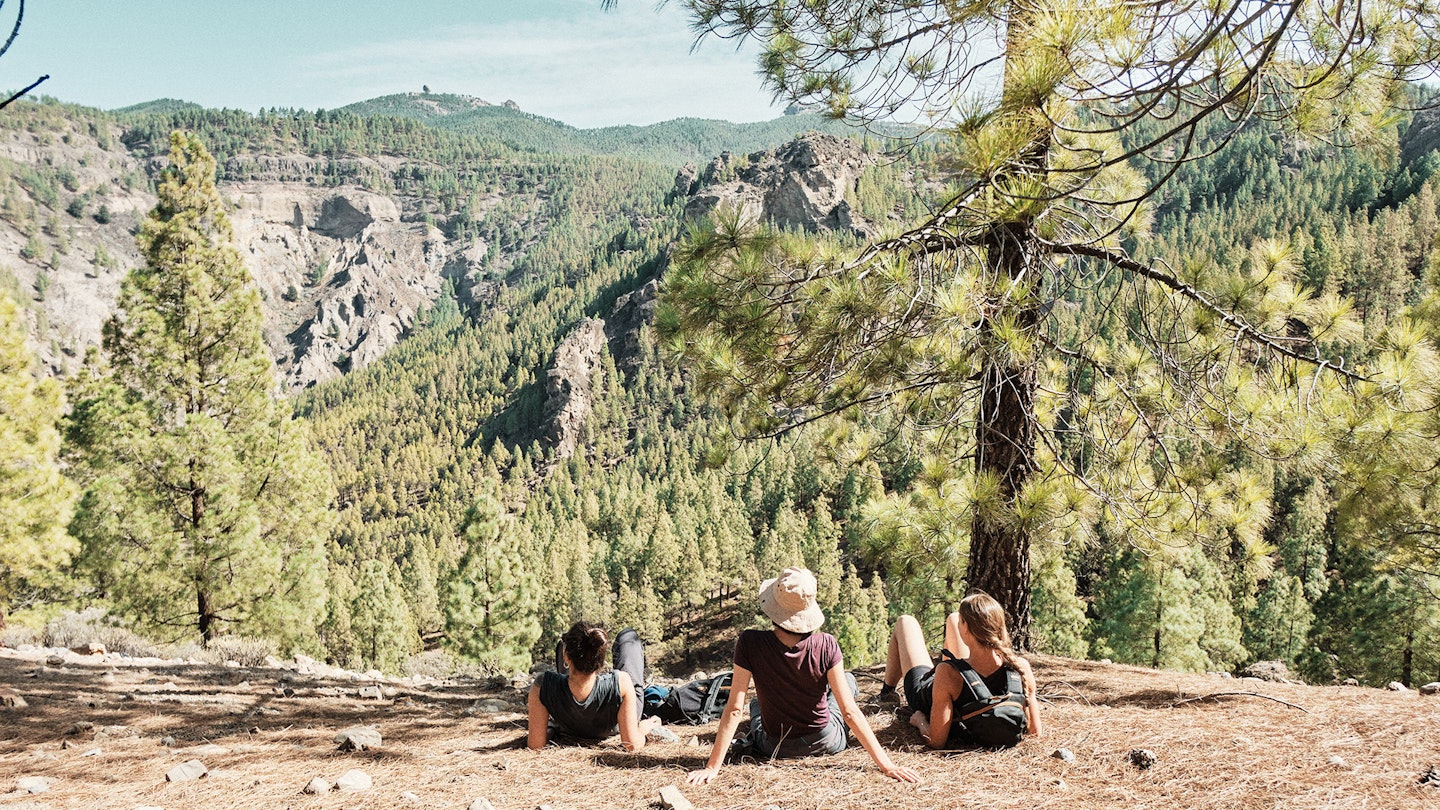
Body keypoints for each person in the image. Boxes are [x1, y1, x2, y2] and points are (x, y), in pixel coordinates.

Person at [687, 567, 921, 785]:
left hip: (773, 746)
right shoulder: (826, 644)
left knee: (756, 705)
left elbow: (736, 709)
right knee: (848, 681)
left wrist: (712, 767)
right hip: (826, 742)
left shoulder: (749, 642)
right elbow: (849, 712)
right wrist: (887, 765)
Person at [878, 592, 1042, 748]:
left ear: (965, 629)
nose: (959, 625)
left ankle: (887, 692)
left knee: (905, 622)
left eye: (962, 623)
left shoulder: (947, 673)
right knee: (953, 618)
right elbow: (1035, 732)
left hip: (925, 691)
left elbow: (936, 741)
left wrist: (920, 720)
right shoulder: (1020, 667)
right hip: (966, 683)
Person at [528, 622, 662, 751]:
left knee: (562, 644)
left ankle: (570, 656)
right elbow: (632, 745)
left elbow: (535, 745)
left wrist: (550, 728)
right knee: (628, 635)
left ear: (567, 657)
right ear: (601, 660)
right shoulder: (622, 682)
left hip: (569, 722)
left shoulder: (542, 685)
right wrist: (644, 727)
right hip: (617, 725)